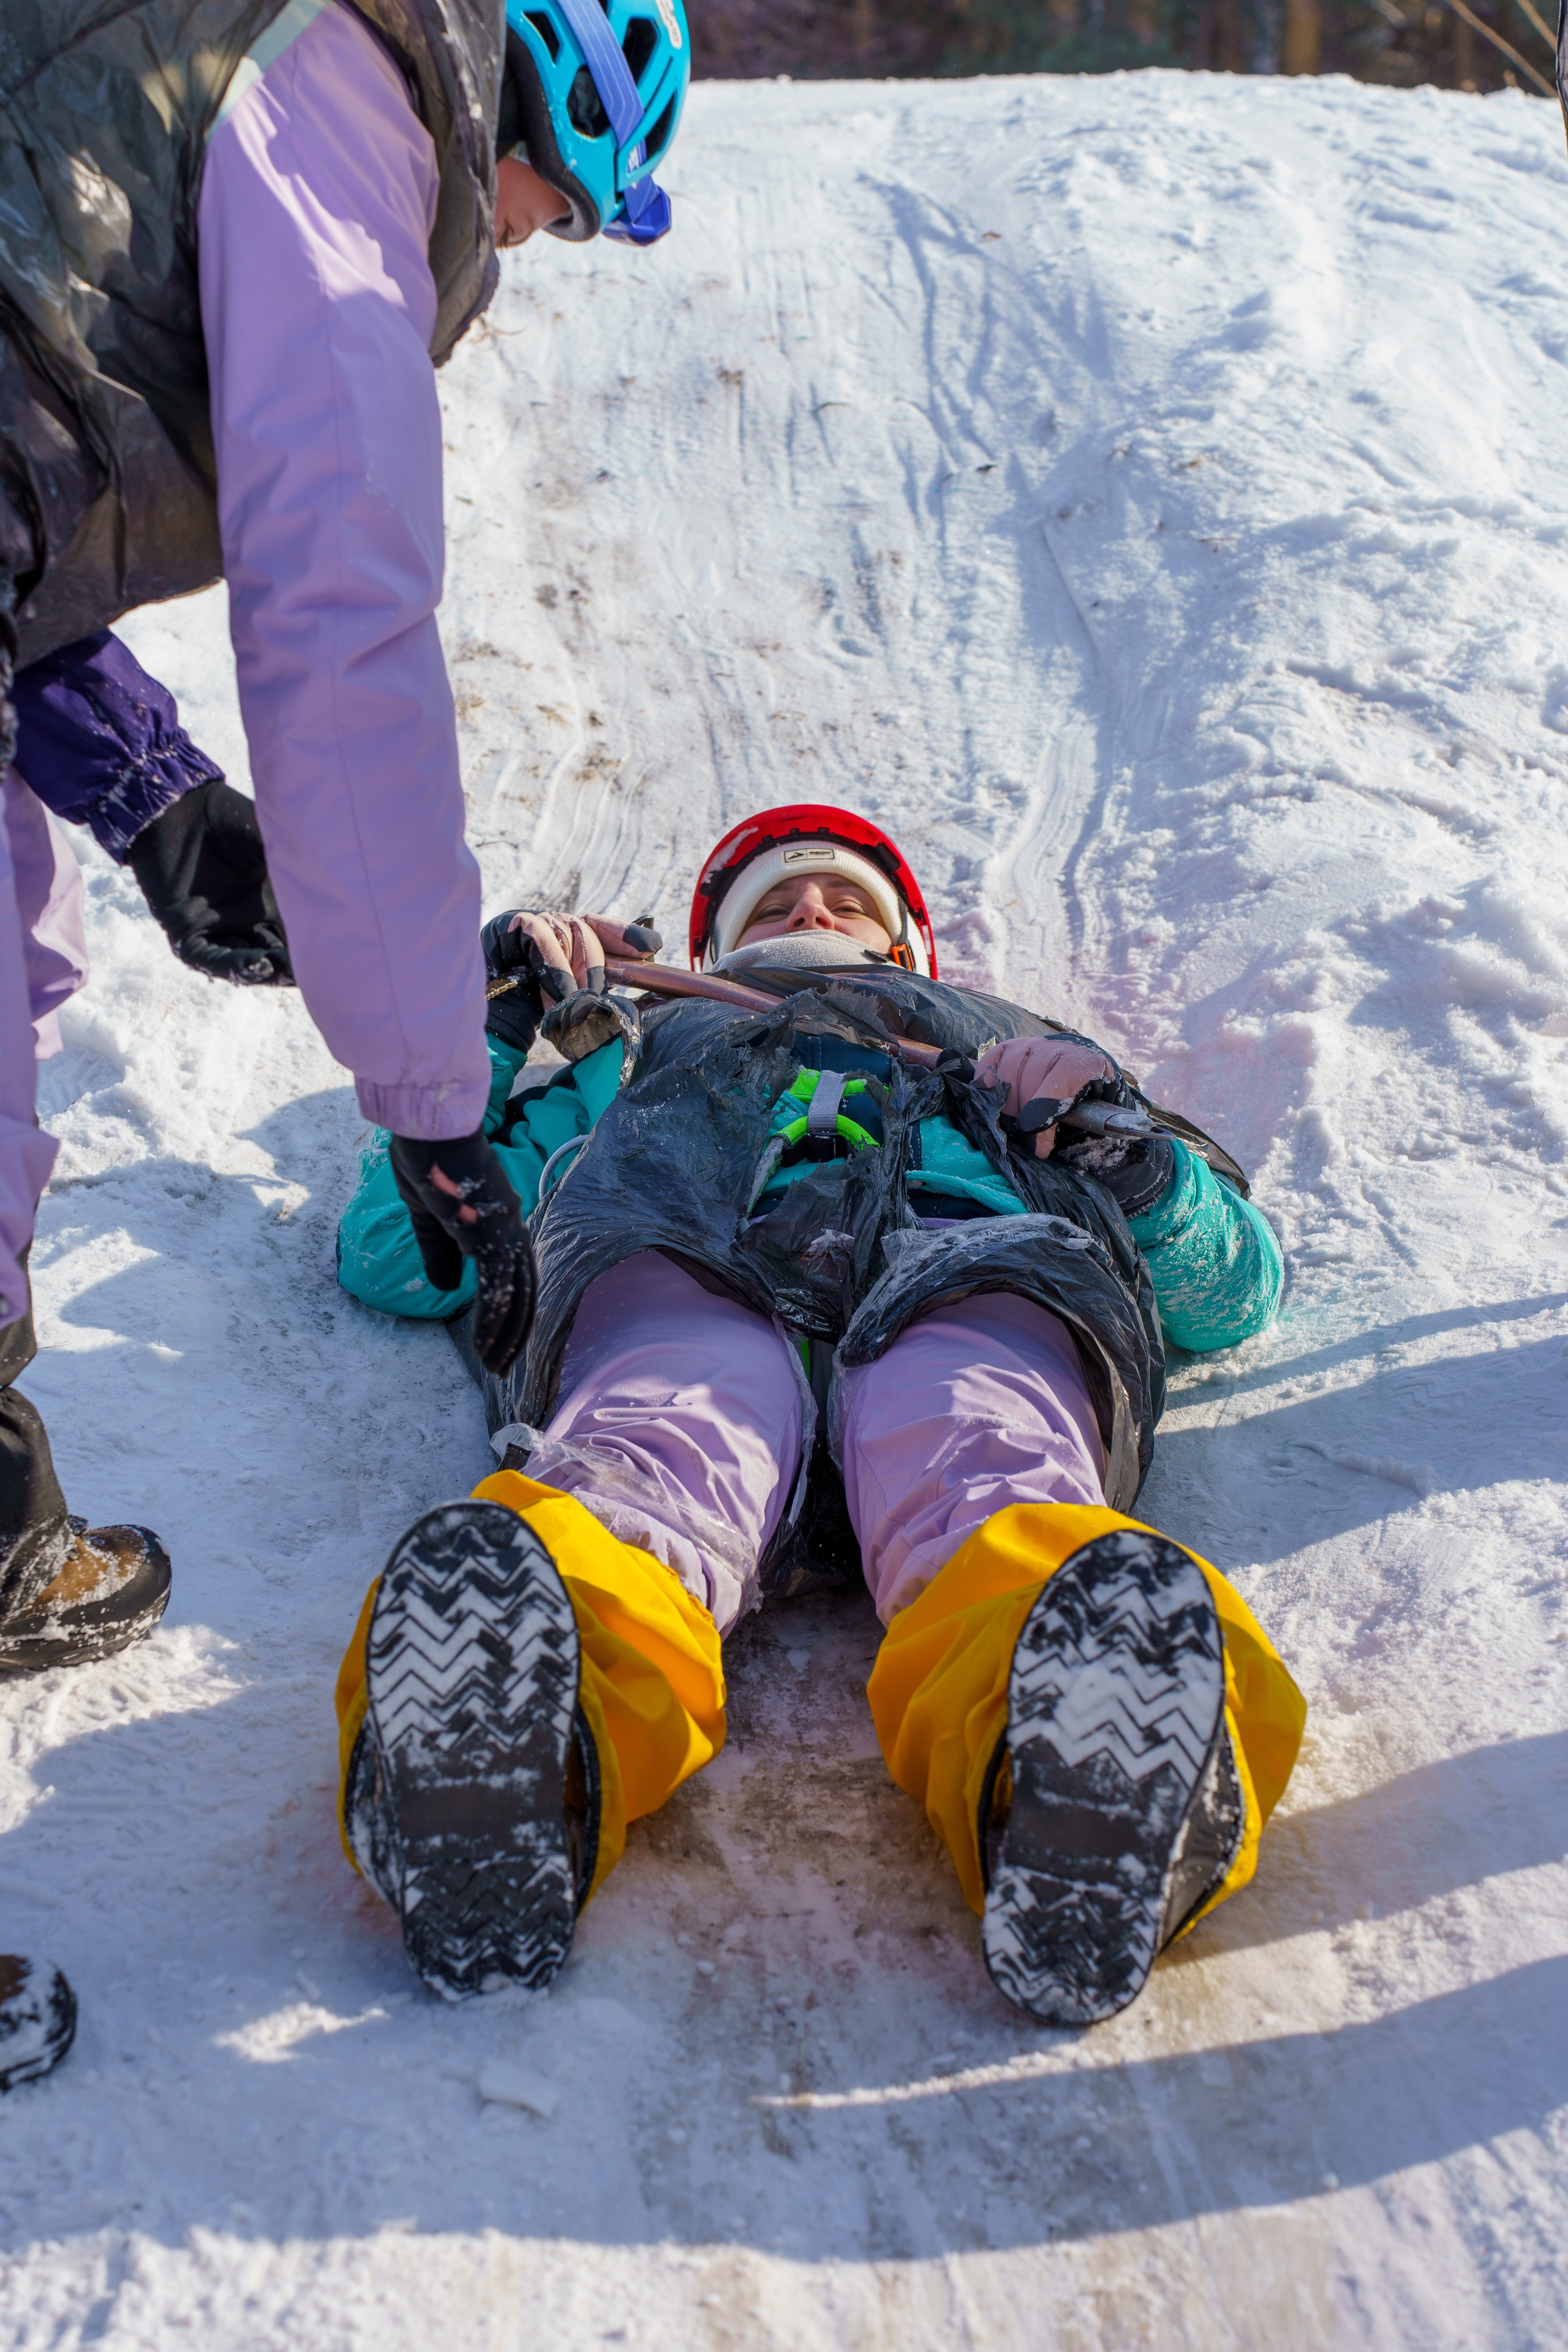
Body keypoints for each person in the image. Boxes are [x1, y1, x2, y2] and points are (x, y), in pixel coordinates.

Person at [0, 0, 690, 2078]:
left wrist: (147, 793)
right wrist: (435, 1089)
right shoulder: (346, 103)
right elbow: (347, 623)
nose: (522, 253)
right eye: (553, 214)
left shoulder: (195, 60)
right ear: (531, 106)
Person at [331, 804, 1305, 2027]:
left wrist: (1126, 1155)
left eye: (846, 903)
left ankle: (1076, 1756)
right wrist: (497, 1016)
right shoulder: (620, 1042)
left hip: (964, 1264)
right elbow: (394, 1252)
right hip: (688, 1258)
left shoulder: (1027, 1053)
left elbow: (1228, 1294)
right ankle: (517, 1755)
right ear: (712, 943)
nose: (811, 915)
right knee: (659, 1445)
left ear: (906, 950)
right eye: (777, 906)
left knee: (975, 1437)